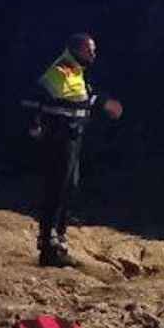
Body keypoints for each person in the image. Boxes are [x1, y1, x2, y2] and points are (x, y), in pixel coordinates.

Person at [22, 33, 124, 267]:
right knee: (56, 190)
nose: (94, 55)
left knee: (69, 187)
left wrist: (101, 102)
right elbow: (63, 100)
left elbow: (83, 96)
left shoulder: (76, 71)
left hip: (72, 138)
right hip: (59, 139)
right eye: (90, 51)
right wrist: (103, 104)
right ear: (77, 50)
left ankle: (59, 239)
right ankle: (49, 246)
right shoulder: (60, 71)